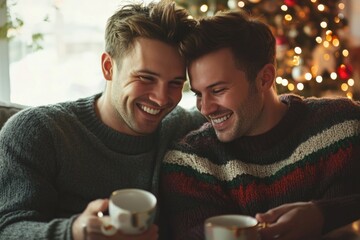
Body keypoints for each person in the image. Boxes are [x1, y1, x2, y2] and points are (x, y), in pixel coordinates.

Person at [0, 1, 205, 239]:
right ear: (108, 67)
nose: (161, 99)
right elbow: (7, 228)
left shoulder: (185, 129)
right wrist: (73, 233)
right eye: (145, 78)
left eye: (175, 83)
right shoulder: (38, 132)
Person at [160, 9, 360, 240]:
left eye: (217, 90)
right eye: (198, 93)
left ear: (265, 78)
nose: (205, 108)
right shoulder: (190, 164)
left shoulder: (345, 125)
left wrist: (325, 215)